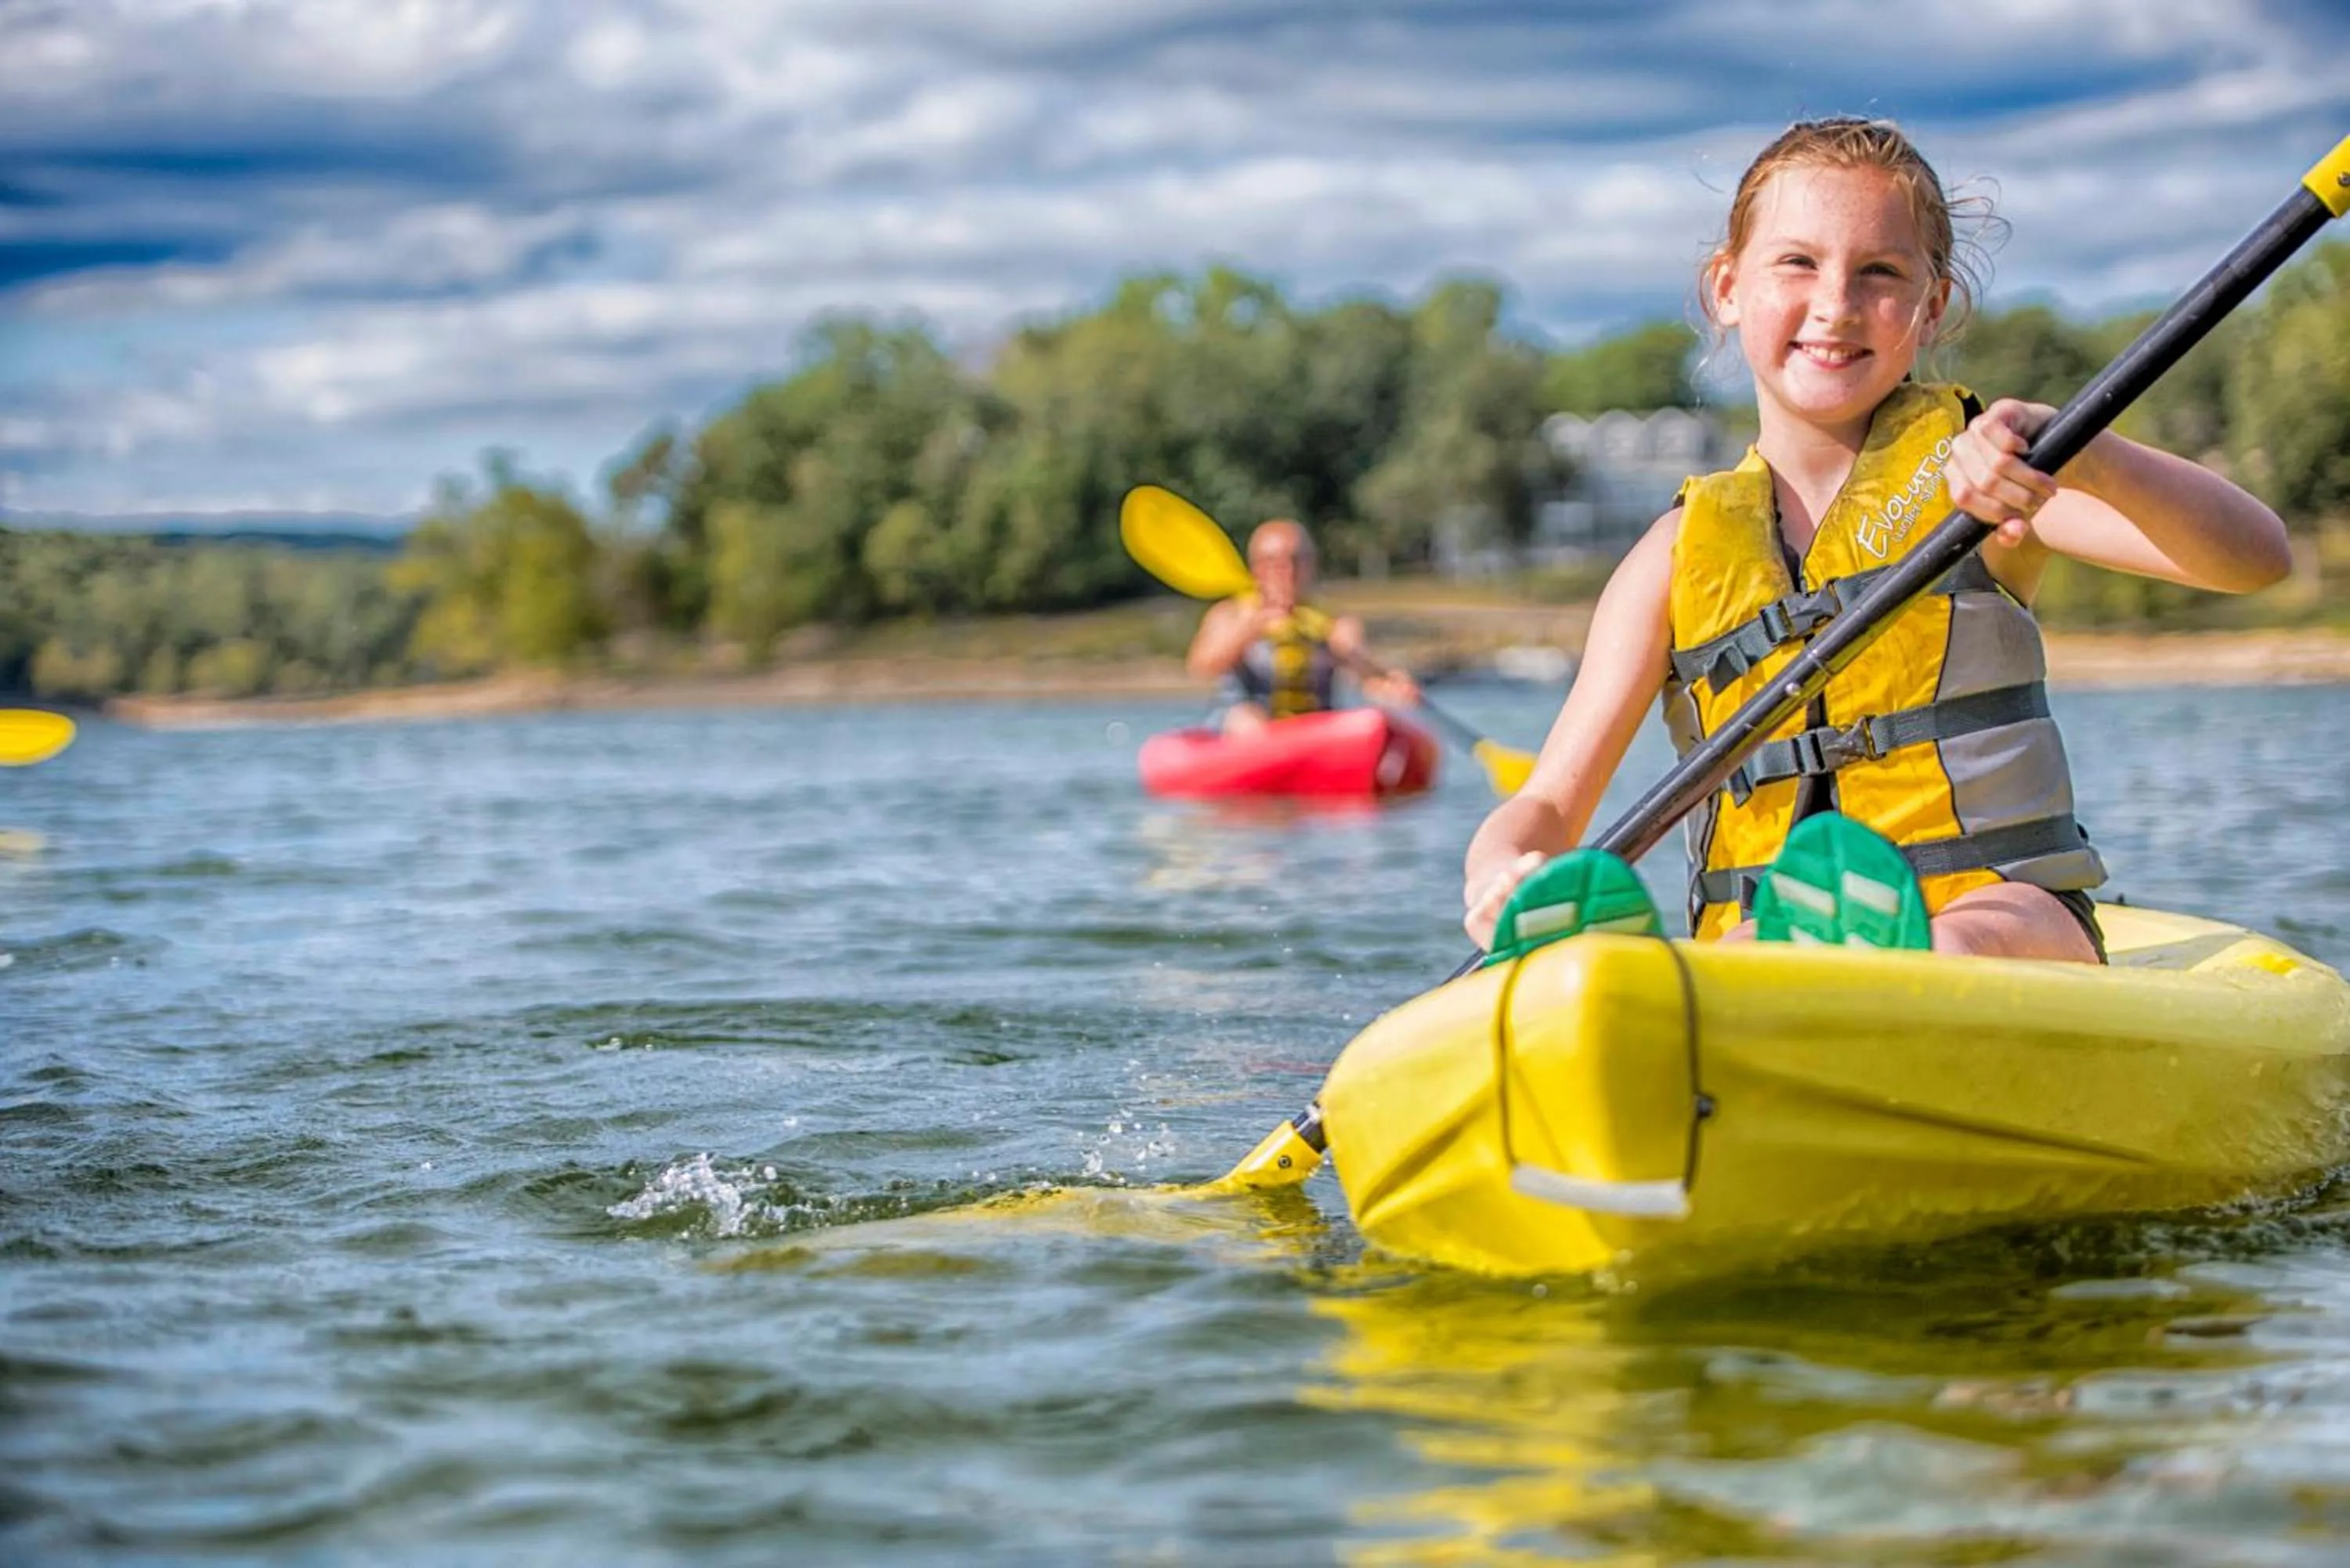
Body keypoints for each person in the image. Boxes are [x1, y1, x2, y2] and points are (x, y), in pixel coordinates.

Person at [1462, 117, 2290, 962]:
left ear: (1932, 309)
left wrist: (2079, 451)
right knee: (1753, 946)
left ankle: (1868, 956)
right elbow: (1552, 805)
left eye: (1880, 273)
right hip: (1771, 945)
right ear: (1727, 287)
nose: (1836, 305)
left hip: (2001, 916)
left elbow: (2256, 558)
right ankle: (1682, 973)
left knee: (1965, 939)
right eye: (1797, 262)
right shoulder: (1672, 557)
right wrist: (1503, 867)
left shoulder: (1990, 481)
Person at [1184, 518, 1422, 735]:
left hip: (1315, 729)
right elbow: (1202, 666)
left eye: (1296, 561)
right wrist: (1248, 630)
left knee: (1364, 721)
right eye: (1272, 563)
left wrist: (1393, 687)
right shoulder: (1231, 615)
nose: (1286, 573)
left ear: (1312, 565)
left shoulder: (1334, 623)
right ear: (1255, 569)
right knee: (1246, 719)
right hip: (1246, 727)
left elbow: (1369, 678)